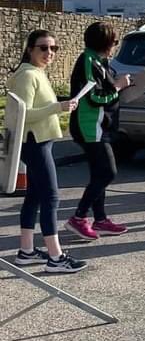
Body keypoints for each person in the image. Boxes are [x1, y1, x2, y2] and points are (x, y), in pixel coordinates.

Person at [7, 30, 86, 273]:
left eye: (54, 48)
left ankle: (27, 251)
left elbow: (37, 108)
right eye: (43, 48)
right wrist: (58, 107)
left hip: (39, 142)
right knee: (51, 197)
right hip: (35, 143)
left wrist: (59, 105)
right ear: (30, 48)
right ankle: (55, 257)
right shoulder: (28, 75)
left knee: (34, 196)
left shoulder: (34, 73)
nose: (49, 53)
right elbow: (25, 114)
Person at [66, 22, 133, 240]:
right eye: (114, 42)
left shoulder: (99, 61)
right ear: (104, 43)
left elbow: (105, 89)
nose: (115, 46)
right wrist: (118, 87)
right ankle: (78, 217)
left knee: (98, 174)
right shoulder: (88, 60)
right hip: (89, 125)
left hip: (100, 125)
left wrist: (121, 86)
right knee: (108, 172)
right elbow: (93, 96)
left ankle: (101, 219)